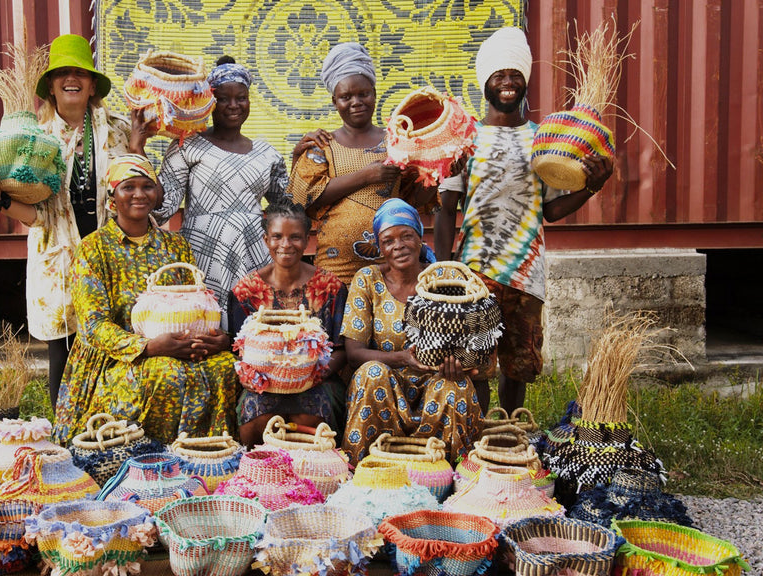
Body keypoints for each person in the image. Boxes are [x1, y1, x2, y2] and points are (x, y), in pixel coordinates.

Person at [435, 27, 614, 414]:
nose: (508, 83)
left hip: (526, 273)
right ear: (485, 81)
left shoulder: (541, 138)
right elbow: (447, 207)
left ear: (525, 81)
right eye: (499, 75)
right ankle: (480, 438)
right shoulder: (465, 139)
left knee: (518, 367)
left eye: (515, 75)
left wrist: (592, 187)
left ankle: (511, 432)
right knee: (476, 364)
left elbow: (550, 210)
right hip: (475, 271)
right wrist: (444, 267)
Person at [0, 34, 153, 409]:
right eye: (62, 73)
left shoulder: (118, 130)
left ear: (91, 86)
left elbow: (138, 188)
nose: (71, 78)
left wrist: (138, 147)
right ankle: (64, 437)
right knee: (65, 350)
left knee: (116, 341)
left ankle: (113, 428)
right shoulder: (35, 141)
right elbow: (37, 215)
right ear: (51, 89)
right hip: (60, 257)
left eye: (80, 72)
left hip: (111, 254)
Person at [51, 155, 238, 445]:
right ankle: (152, 458)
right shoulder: (93, 249)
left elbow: (196, 303)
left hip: (177, 345)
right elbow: (94, 326)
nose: (139, 194)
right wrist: (148, 346)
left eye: (147, 186)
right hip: (116, 358)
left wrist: (213, 339)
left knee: (224, 365)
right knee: (165, 371)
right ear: (113, 197)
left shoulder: (176, 245)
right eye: (128, 187)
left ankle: (208, 455)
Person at [341, 199, 481, 464]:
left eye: (406, 236)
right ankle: (365, 469)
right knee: (371, 373)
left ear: (419, 238)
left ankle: (450, 475)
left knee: (455, 387)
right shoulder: (368, 279)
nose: (398, 246)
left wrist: (458, 364)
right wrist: (403, 358)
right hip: (387, 385)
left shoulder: (443, 281)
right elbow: (353, 352)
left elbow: (471, 348)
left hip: (434, 381)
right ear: (380, 247)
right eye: (388, 240)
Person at [154, 56, 289, 329]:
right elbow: (164, 205)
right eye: (224, 99)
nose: (233, 106)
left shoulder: (266, 153)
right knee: (205, 326)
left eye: (241, 98)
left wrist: (302, 156)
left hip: (253, 251)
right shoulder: (188, 145)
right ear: (209, 102)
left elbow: (286, 206)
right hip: (203, 250)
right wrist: (137, 149)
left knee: (253, 331)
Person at [288, 43, 436, 285]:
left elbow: (415, 200)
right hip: (336, 270)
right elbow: (303, 197)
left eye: (363, 94)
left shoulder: (399, 143)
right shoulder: (322, 144)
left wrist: (436, 173)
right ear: (334, 101)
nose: (356, 102)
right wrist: (367, 176)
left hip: (394, 268)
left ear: (375, 94)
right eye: (346, 96)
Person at [228, 198, 349, 446]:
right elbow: (239, 351)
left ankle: (317, 472)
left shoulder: (330, 287)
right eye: (277, 237)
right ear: (266, 240)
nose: (285, 244)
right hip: (264, 384)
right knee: (255, 409)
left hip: (317, 380)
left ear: (307, 240)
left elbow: (342, 349)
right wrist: (259, 377)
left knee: (314, 410)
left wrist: (309, 375)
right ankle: (257, 470)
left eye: (295, 237)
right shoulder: (246, 291)